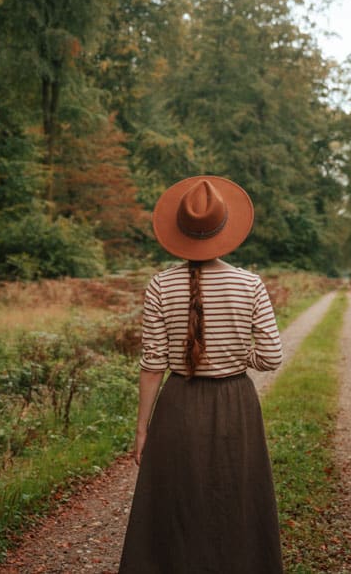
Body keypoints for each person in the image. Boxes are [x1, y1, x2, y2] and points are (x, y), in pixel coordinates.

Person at [118, 175, 284, 573]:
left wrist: (142, 428)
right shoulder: (250, 284)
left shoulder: (160, 284)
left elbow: (153, 363)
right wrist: (238, 354)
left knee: (178, 497)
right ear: (225, 227)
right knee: (235, 495)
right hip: (235, 403)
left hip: (179, 404)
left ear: (180, 231)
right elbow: (272, 356)